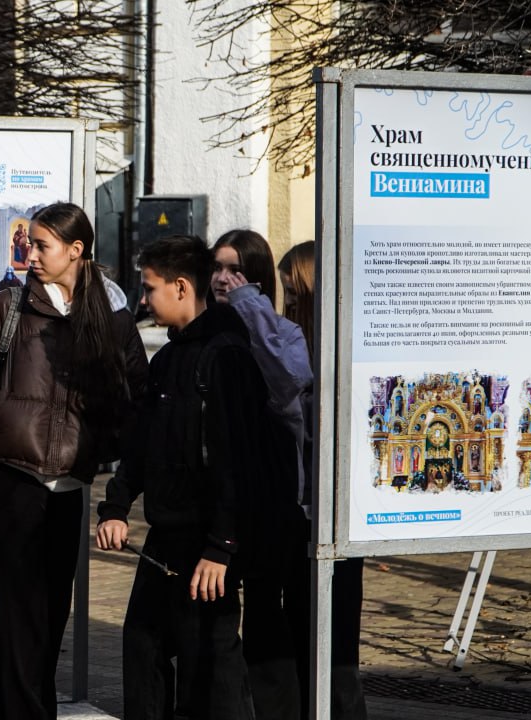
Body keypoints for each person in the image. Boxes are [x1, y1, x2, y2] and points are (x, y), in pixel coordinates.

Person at [0, 202, 147, 720]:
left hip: (71, 485)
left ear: (76, 251)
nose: (29, 253)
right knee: (22, 615)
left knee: (49, 618)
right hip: (11, 479)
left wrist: (102, 439)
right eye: (29, 244)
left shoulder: (112, 319)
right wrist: (3, 413)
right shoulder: (8, 307)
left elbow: (136, 397)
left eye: (41, 245)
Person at [97, 234, 279, 720]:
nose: (143, 299)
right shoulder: (168, 359)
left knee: (211, 666)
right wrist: (116, 506)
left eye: (150, 288)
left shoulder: (226, 358)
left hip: (210, 544)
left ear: (181, 288)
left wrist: (221, 547)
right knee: (142, 645)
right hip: (166, 537)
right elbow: (142, 444)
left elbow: (236, 461)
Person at [210, 229, 313, 720]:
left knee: (280, 624)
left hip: (280, 502)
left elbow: (288, 382)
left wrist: (249, 303)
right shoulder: (213, 332)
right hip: (234, 502)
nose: (222, 279)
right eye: (217, 268)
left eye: (235, 269)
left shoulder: (283, 335)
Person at [277, 240, 368, 720]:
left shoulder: (329, 354)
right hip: (301, 513)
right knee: (303, 636)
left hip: (332, 514)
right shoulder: (296, 344)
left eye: (295, 293)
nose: (288, 304)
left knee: (338, 652)